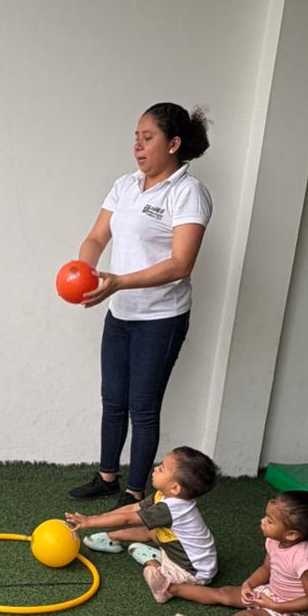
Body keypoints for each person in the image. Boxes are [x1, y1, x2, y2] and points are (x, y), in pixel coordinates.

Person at [68, 102, 212, 509]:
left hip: (161, 318)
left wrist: (118, 282)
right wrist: (85, 271)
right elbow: (96, 237)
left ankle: (135, 493)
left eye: (148, 138)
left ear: (174, 144)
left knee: (143, 407)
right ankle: (106, 477)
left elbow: (181, 264)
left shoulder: (189, 193)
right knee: (113, 399)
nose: (137, 146)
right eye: (136, 137)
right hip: (121, 312)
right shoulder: (125, 185)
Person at [171, 491, 308, 616]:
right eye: (266, 516)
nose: (262, 521)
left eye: (270, 521)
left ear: (291, 534)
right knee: (225, 592)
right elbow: (266, 569)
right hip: (270, 592)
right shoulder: (274, 541)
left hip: (292, 611)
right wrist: (249, 584)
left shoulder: (304, 558)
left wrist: (276, 606)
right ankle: (170, 588)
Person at [66, 447, 218, 602]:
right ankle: (111, 538)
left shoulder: (171, 508)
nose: (156, 468)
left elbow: (128, 519)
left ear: (175, 488)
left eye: (162, 469)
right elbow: (133, 508)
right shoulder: (163, 495)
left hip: (192, 571)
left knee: (153, 575)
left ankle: (160, 578)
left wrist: (89, 522)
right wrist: (97, 517)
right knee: (151, 531)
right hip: (179, 551)